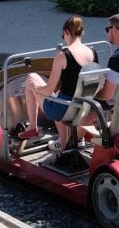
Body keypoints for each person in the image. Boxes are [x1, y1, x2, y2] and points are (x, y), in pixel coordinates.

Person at [18, 16, 98, 154]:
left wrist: (34, 88)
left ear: (66, 32)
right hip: (85, 106)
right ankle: (71, 139)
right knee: (60, 95)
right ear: (81, 33)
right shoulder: (93, 53)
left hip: (65, 109)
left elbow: (48, 90)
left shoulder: (62, 55)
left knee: (32, 78)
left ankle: (34, 127)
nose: (63, 38)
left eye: (63, 35)